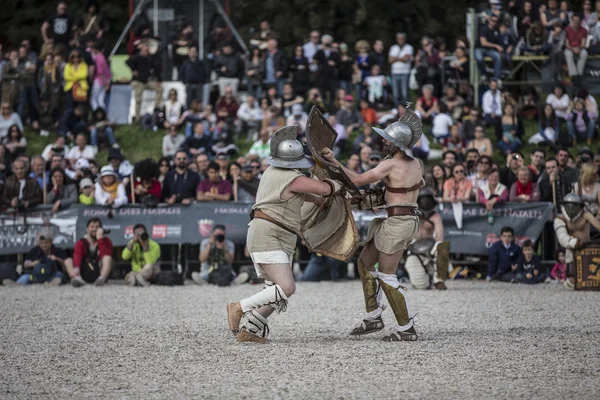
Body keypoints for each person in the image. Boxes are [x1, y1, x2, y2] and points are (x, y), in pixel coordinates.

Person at [227, 126, 340, 343]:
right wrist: (335, 175)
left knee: (274, 291)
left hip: (276, 233)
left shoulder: (271, 172)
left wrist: (314, 200)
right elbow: (325, 189)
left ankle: (249, 330)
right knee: (286, 287)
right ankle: (238, 307)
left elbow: (289, 194)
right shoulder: (292, 178)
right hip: (268, 233)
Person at [321, 106, 425, 341]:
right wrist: (384, 195)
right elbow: (406, 187)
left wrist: (334, 162)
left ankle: (406, 329)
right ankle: (374, 317)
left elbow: (357, 179)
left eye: (388, 139)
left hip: (398, 222)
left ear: (397, 144)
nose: (383, 141)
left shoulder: (390, 164)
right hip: (400, 219)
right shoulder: (416, 163)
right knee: (365, 262)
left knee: (387, 276)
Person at [403, 187, 449, 290]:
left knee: (443, 247)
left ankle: (439, 281)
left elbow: (440, 238)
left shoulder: (435, 216)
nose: (425, 202)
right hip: (414, 247)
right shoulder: (410, 214)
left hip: (430, 246)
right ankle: (427, 279)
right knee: (421, 286)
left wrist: (431, 221)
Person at [554, 193, 600, 289]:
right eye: (569, 206)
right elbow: (563, 238)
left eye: (574, 206)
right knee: (573, 281)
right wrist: (574, 243)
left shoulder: (586, 215)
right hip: (572, 248)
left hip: (587, 248)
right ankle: (570, 280)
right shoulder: (560, 219)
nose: (571, 208)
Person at [69, 217, 113, 286]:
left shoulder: (107, 241)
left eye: (97, 227)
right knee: (68, 261)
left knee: (107, 257)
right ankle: (77, 279)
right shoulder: (81, 242)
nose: (94, 229)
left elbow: (105, 255)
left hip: (99, 269)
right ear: (87, 229)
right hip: (85, 269)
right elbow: (77, 256)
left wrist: (100, 240)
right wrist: (77, 267)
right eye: (92, 227)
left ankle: (101, 279)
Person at [126, 43, 163, 121]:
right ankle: (137, 117)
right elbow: (128, 62)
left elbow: (155, 69)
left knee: (159, 88)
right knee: (138, 99)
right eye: (145, 50)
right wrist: (133, 70)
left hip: (146, 81)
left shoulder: (149, 58)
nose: (147, 52)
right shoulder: (137, 57)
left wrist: (159, 79)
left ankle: (156, 108)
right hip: (138, 81)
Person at [388, 32, 413, 106]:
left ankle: (408, 110)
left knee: (405, 93)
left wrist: (395, 58)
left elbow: (406, 59)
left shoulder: (409, 47)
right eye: (399, 39)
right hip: (395, 73)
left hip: (405, 72)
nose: (401, 40)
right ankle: (397, 110)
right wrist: (401, 58)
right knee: (396, 94)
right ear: (397, 39)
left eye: (402, 39)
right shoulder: (393, 48)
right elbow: (390, 60)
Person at [475, 14, 503, 79]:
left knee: (498, 57)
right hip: (480, 48)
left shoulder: (496, 30)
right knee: (479, 58)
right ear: (489, 20)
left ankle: (497, 78)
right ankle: (483, 73)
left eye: (496, 21)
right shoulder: (484, 29)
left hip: (489, 50)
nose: (494, 22)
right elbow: (483, 43)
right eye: (493, 20)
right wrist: (496, 46)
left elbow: (499, 41)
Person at [564, 14, 588, 82]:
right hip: (570, 48)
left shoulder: (584, 30)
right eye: (575, 20)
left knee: (584, 53)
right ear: (572, 21)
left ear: (580, 21)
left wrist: (578, 48)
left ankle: (579, 74)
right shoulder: (567, 30)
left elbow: (583, 44)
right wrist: (573, 49)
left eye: (578, 20)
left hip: (580, 47)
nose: (576, 22)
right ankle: (574, 75)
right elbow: (567, 44)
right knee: (568, 54)